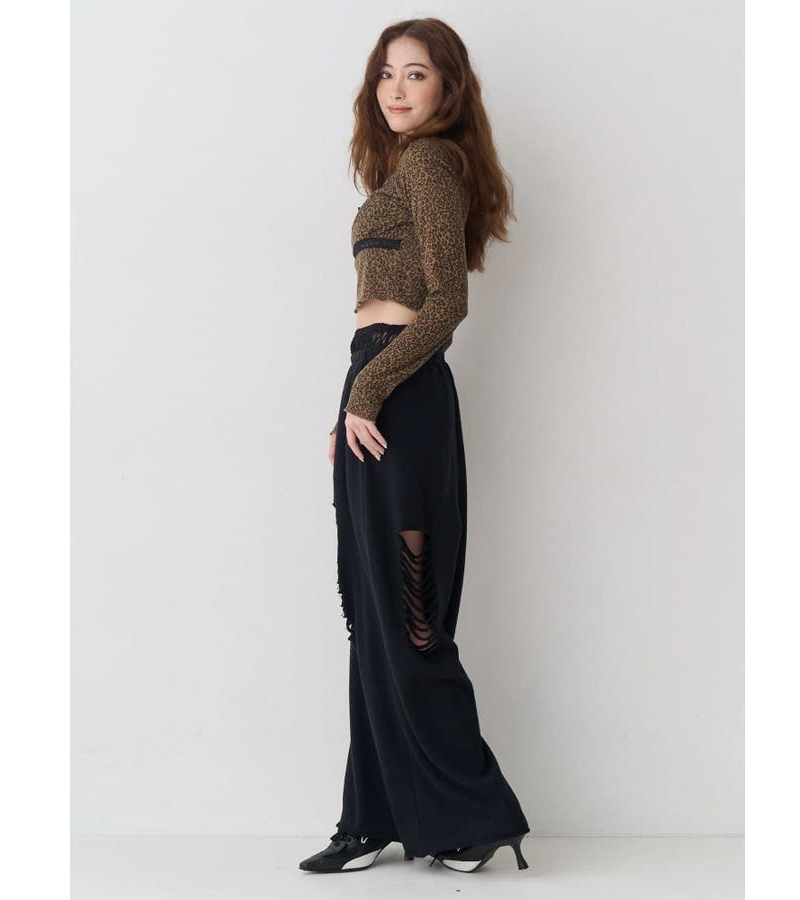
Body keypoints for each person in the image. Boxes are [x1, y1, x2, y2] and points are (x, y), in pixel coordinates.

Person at [300, 17, 531, 875]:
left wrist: (367, 390)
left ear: (448, 89)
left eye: (417, 74)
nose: (396, 90)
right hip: (375, 388)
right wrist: (351, 399)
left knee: (407, 618)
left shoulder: (433, 164)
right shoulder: (399, 170)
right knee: (373, 615)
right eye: (386, 74)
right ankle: (374, 815)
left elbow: (446, 305)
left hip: (401, 395)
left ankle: (472, 816)